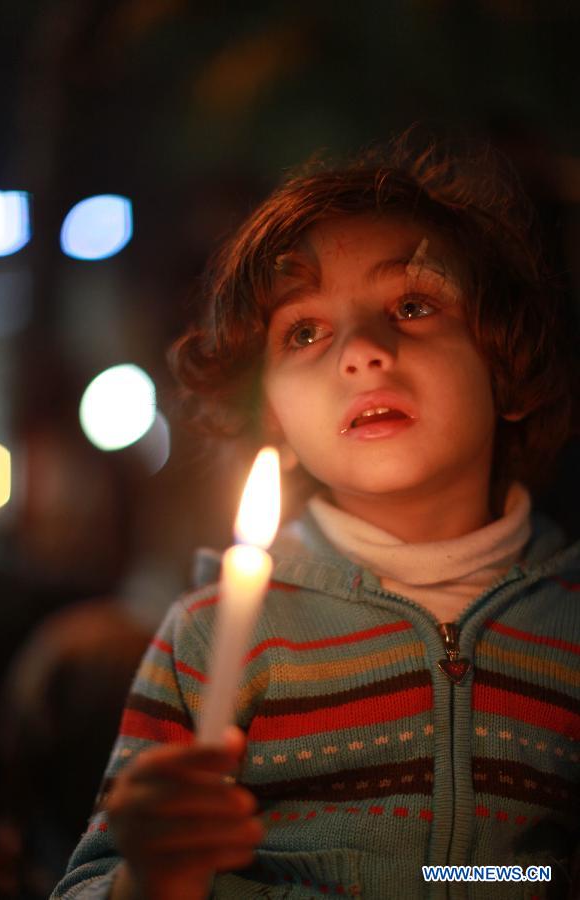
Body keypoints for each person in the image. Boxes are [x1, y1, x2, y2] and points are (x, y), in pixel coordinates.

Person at [52, 133, 580, 899]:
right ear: (272, 417)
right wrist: (153, 874)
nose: (363, 350)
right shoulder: (206, 639)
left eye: (412, 304)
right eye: (304, 331)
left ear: (509, 366)